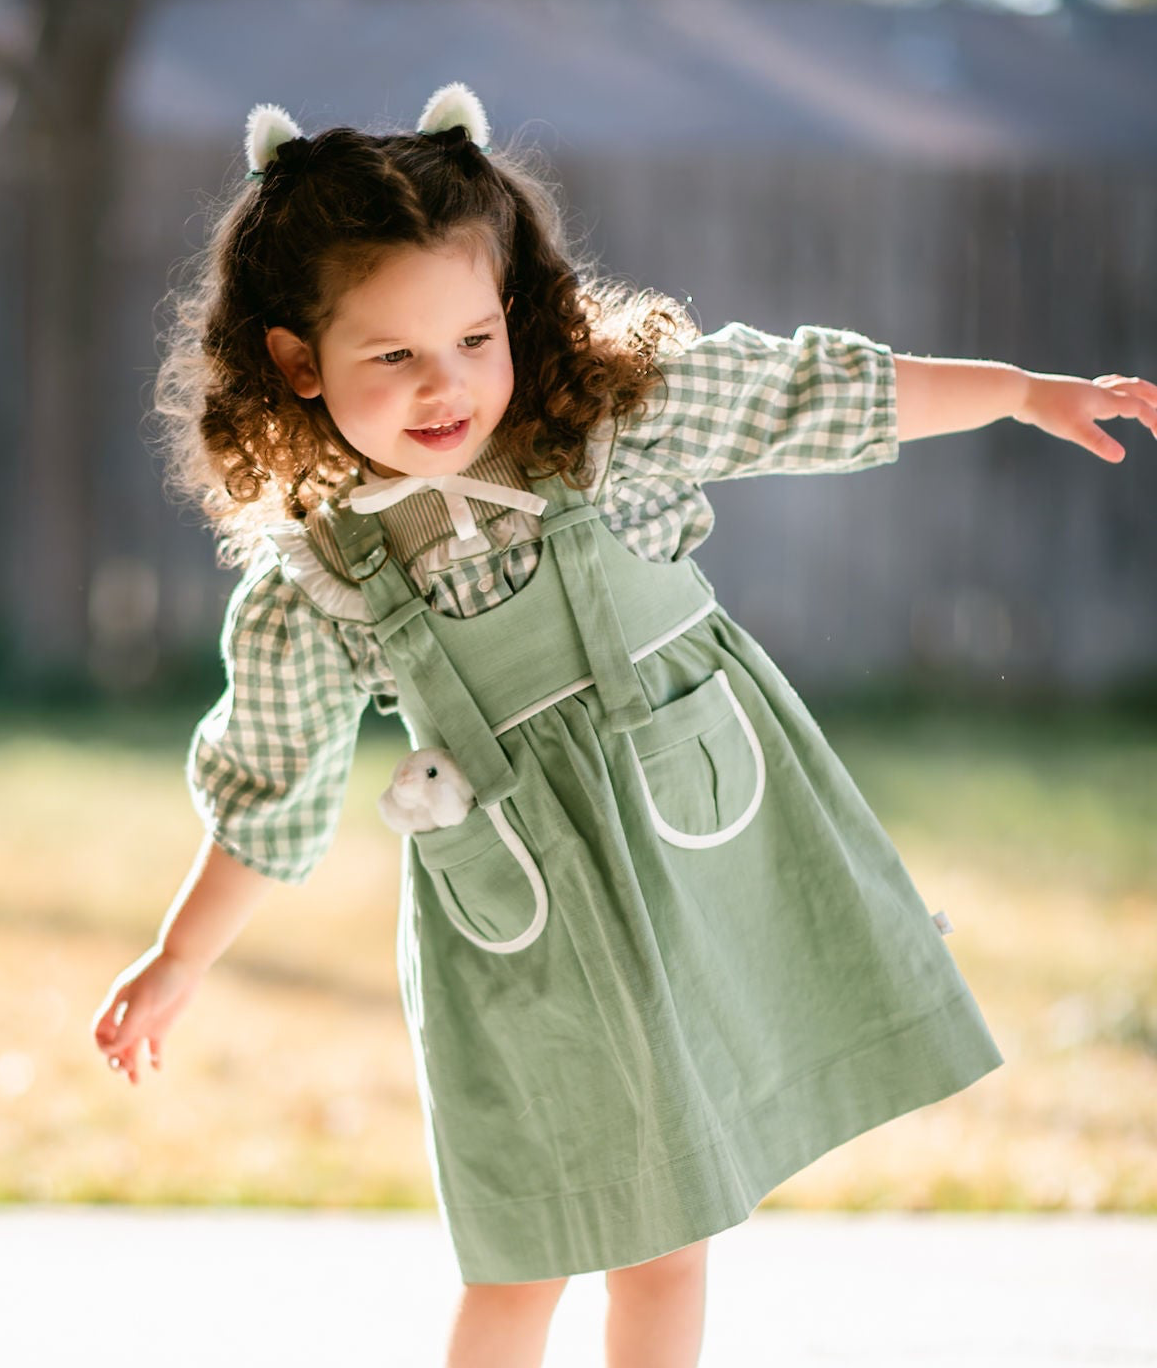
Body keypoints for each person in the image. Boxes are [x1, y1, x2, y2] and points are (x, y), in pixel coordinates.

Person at [92, 84, 1155, 1368]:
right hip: (525, 934)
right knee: (530, 1243)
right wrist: (182, 958)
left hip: (692, 856)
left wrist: (1019, 394)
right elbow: (275, 788)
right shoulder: (315, 583)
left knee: (669, 1238)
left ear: (516, 314)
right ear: (294, 361)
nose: (448, 387)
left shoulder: (609, 430)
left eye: (476, 338)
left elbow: (807, 396)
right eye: (394, 357)